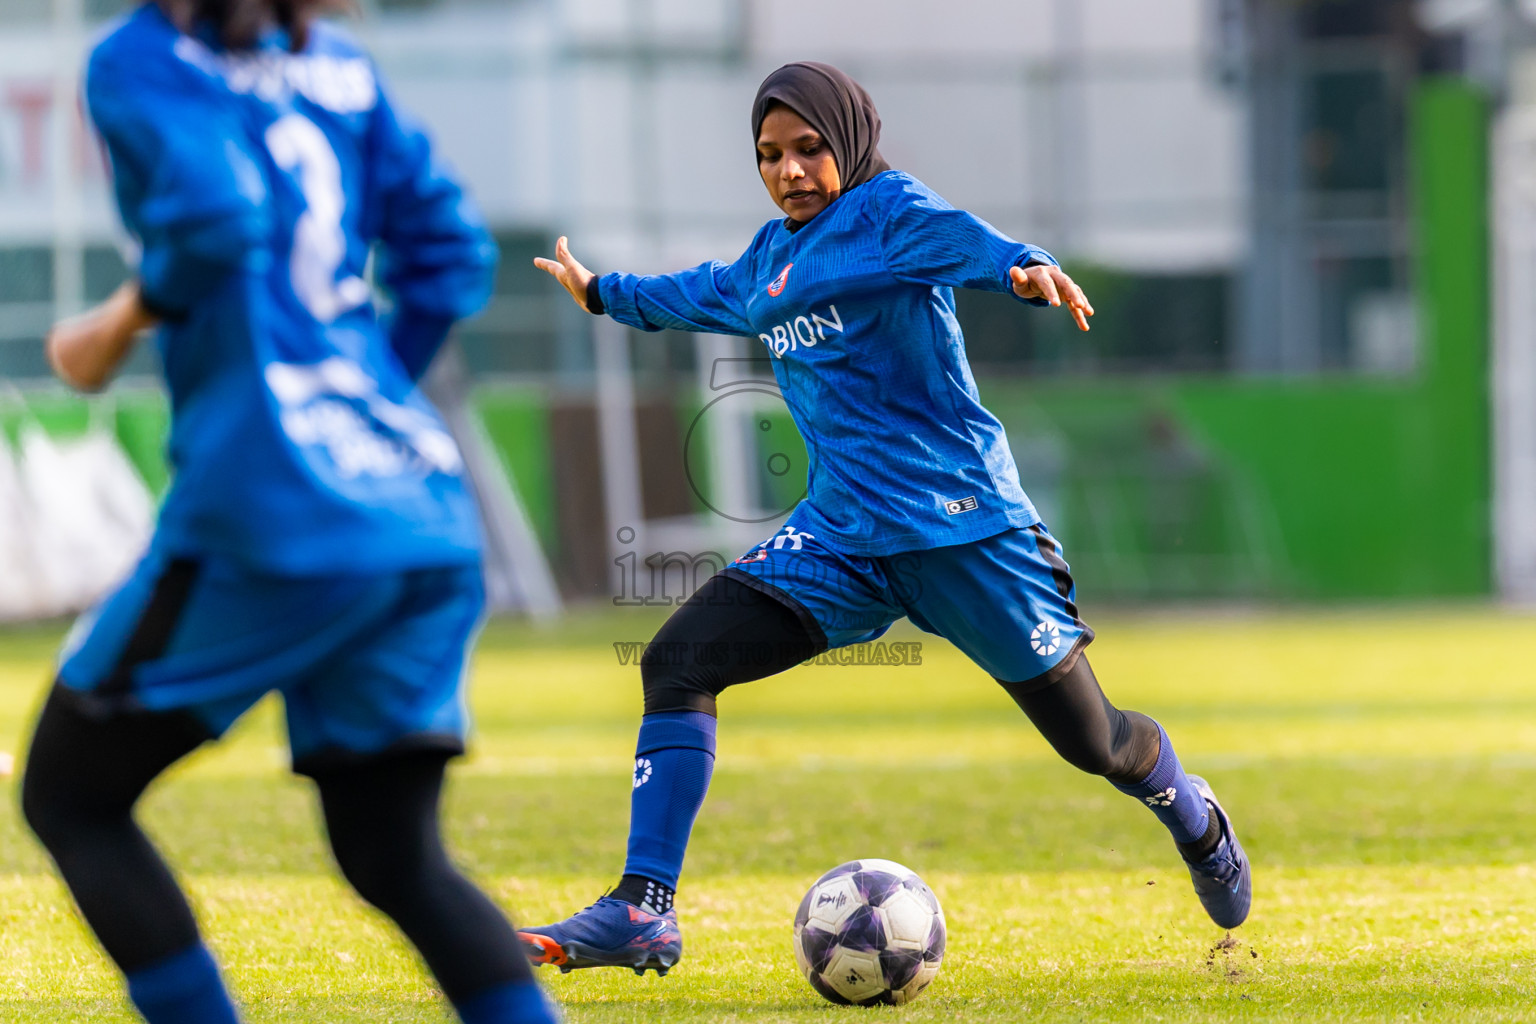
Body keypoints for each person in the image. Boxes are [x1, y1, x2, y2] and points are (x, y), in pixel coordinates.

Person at [520, 61, 1252, 976]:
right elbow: (689, 292)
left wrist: (1027, 269)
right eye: (769, 154)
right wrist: (601, 294)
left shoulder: (891, 214)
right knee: (678, 661)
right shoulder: (766, 263)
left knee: (1095, 743)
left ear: (850, 142)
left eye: (809, 148)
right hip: (843, 540)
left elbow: (975, 245)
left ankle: (1190, 811)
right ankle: (643, 909)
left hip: (965, 534)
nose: (789, 170)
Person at [18, 2, 558, 1022]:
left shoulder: (139, 57)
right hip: (417, 501)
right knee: (393, 853)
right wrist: (362, 406)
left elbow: (220, 219)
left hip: (277, 510)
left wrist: (126, 313)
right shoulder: (339, 63)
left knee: (70, 796)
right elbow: (453, 250)